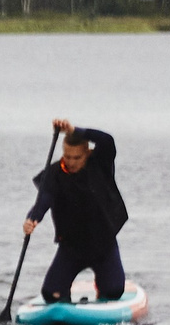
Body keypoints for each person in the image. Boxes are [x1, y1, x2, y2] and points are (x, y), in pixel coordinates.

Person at [23, 117, 132, 303]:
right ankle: (63, 302)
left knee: (113, 292)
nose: (71, 162)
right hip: (71, 247)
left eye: (76, 158)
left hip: (103, 244)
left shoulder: (100, 164)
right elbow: (43, 200)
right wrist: (32, 219)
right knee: (51, 295)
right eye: (67, 157)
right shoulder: (54, 174)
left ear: (88, 153)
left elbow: (107, 140)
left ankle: (102, 287)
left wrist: (75, 130)